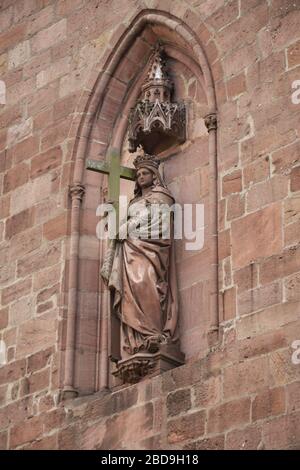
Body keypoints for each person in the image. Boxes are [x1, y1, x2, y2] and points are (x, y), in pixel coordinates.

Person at [101, 154, 179, 359]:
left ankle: (153, 332)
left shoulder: (162, 197)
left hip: (151, 251)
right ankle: (136, 340)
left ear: (154, 176)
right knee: (130, 291)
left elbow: (161, 225)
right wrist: (113, 222)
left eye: (145, 173)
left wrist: (128, 228)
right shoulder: (134, 202)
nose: (141, 177)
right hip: (128, 252)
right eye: (138, 174)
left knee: (147, 283)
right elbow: (118, 228)